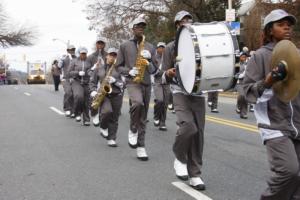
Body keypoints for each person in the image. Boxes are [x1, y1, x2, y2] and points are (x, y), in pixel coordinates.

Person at [242, 9, 300, 200]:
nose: (286, 27)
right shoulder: (259, 56)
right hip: (274, 124)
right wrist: (268, 82)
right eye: (280, 24)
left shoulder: (296, 54)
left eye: (289, 24)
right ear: (269, 30)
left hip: (297, 123)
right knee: (289, 171)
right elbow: (246, 91)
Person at [161, 10, 206, 190]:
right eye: (182, 22)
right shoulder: (171, 47)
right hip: (179, 92)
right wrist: (169, 73)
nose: (185, 24)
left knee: (199, 135)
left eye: (188, 21)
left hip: (199, 93)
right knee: (188, 127)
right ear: (176, 26)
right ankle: (180, 157)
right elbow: (161, 75)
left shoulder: (201, 43)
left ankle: (195, 174)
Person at [115, 17, 157, 161]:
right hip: (133, 82)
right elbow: (118, 66)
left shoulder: (150, 47)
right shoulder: (124, 45)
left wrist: (150, 59)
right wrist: (128, 71)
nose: (141, 28)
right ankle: (133, 128)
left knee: (143, 117)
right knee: (137, 103)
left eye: (143, 26)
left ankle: (141, 147)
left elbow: (154, 70)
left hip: (146, 83)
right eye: (138, 26)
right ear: (132, 28)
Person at [89, 48, 124, 147]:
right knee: (106, 111)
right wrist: (93, 91)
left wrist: (116, 81)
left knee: (114, 118)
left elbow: (125, 84)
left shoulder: (120, 69)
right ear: (107, 56)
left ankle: (111, 139)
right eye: (110, 55)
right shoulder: (99, 68)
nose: (112, 57)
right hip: (104, 95)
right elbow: (92, 82)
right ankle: (103, 126)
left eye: (114, 55)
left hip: (117, 95)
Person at [68, 47, 92, 126]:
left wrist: (90, 72)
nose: (83, 55)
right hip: (76, 81)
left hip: (86, 82)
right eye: (82, 53)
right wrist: (78, 73)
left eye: (85, 53)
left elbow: (91, 71)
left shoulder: (89, 61)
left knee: (87, 101)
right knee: (78, 96)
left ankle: (86, 119)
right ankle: (77, 113)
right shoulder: (74, 61)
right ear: (79, 53)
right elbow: (69, 73)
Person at [153, 42, 169, 131]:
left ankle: (162, 122)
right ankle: (156, 116)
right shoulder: (154, 58)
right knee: (160, 100)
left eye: (163, 47)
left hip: (167, 82)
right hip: (157, 82)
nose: (162, 49)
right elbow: (153, 70)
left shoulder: (168, 58)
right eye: (160, 47)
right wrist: (163, 71)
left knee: (165, 103)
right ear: (157, 48)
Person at [58, 45, 77, 117]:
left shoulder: (77, 57)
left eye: (73, 49)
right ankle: (67, 109)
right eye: (70, 49)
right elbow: (59, 67)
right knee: (68, 92)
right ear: (67, 50)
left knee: (74, 95)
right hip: (66, 79)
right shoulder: (64, 58)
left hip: (75, 79)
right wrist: (61, 60)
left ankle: (73, 110)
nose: (72, 50)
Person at [235, 52, 249, 119]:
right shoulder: (236, 64)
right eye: (242, 56)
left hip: (246, 82)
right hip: (239, 82)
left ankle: (244, 113)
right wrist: (239, 76)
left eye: (245, 57)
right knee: (241, 95)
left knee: (245, 98)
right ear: (240, 57)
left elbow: (248, 72)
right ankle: (238, 106)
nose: (244, 58)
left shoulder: (247, 64)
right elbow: (235, 73)